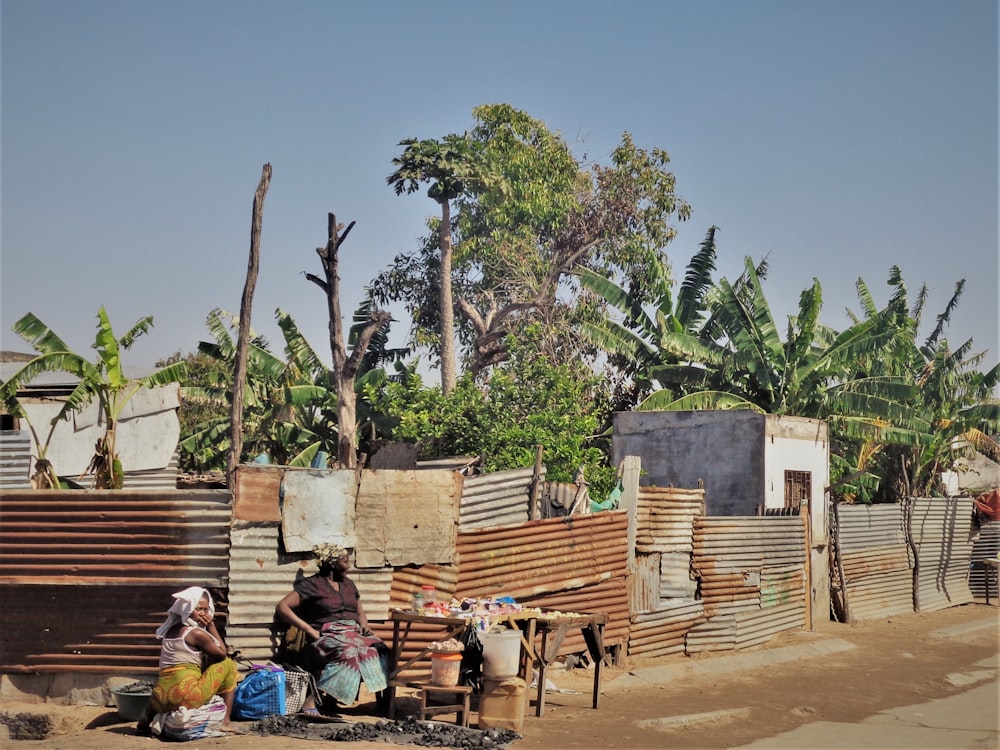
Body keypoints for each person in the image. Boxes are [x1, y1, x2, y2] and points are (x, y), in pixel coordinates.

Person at [275, 543, 390, 712]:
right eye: (345, 562)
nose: (348, 566)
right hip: (328, 633)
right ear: (331, 563)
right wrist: (310, 630)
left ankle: (384, 704)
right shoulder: (312, 585)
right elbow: (283, 606)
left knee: (381, 649)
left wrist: (364, 626)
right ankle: (313, 701)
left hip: (355, 632)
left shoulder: (349, 584)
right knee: (348, 654)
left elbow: (360, 612)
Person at [143, 586, 237, 734]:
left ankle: (145, 721)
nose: (203, 613)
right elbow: (221, 654)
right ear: (187, 609)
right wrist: (211, 626)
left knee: (165, 681)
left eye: (206, 610)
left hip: (159, 700)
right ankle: (225, 722)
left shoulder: (170, 631)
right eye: (198, 609)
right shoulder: (196, 634)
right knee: (228, 664)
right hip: (186, 698)